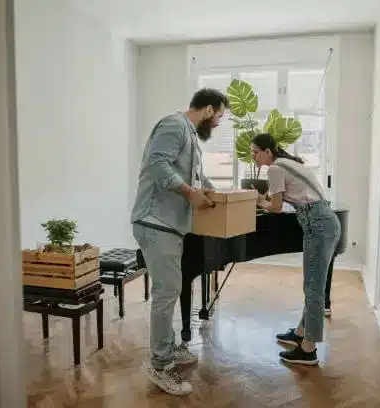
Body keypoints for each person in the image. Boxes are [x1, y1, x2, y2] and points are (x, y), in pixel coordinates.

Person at [130, 88, 229, 395]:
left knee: (170, 290)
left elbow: (195, 178)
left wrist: (216, 192)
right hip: (155, 221)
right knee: (166, 292)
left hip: (171, 225)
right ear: (209, 109)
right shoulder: (174, 125)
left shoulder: (190, 135)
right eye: (219, 116)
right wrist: (190, 193)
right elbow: (156, 166)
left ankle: (168, 347)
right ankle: (160, 365)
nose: (218, 124)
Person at [250, 132, 341, 366]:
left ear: (267, 151)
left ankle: (309, 349)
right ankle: (301, 332)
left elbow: (276, 207)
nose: (254, 157)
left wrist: (259, 200)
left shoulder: (275, 169)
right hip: (324, 221)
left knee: (313, 288)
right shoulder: (290, 163)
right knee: (312, 285)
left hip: (317, 225)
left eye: (256, 152)